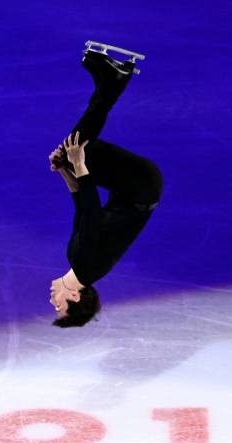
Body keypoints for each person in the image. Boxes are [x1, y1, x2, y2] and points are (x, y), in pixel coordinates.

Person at [48, 47, 164, 328]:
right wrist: (79, 165)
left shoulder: (80, 263)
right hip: (139, 185)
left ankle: (109, 81)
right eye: (60, 307)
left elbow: (81, 208)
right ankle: (113, 80)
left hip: (136, 187)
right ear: (74, 296)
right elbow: (91, 212)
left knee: (73, 151)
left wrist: (66, 170)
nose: (53, 302)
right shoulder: (86, 265)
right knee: (79, 150)